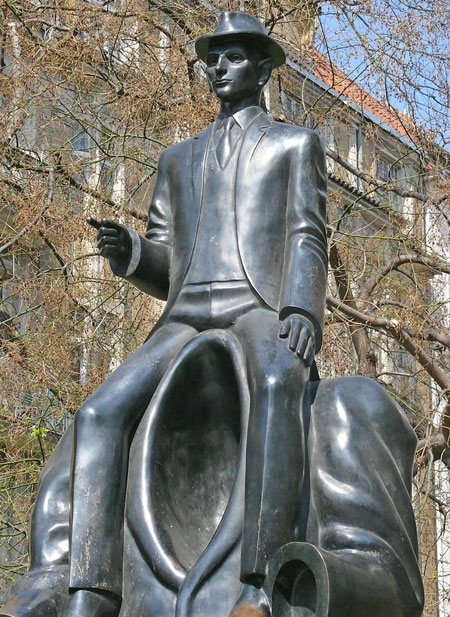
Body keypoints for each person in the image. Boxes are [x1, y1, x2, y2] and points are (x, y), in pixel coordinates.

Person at [58, 11, 328, 617]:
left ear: (262, 69)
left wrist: (301, 308)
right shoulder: (177, 159)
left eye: (234, 57)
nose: (220, 67)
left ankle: (260, 587)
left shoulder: (293, 144)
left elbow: (308, 234)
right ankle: (91, 592)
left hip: (254, 306)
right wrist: (132, 257)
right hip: (185, 313)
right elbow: (165, 260)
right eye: (214, 57)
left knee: (281, 379)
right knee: (98, 411)